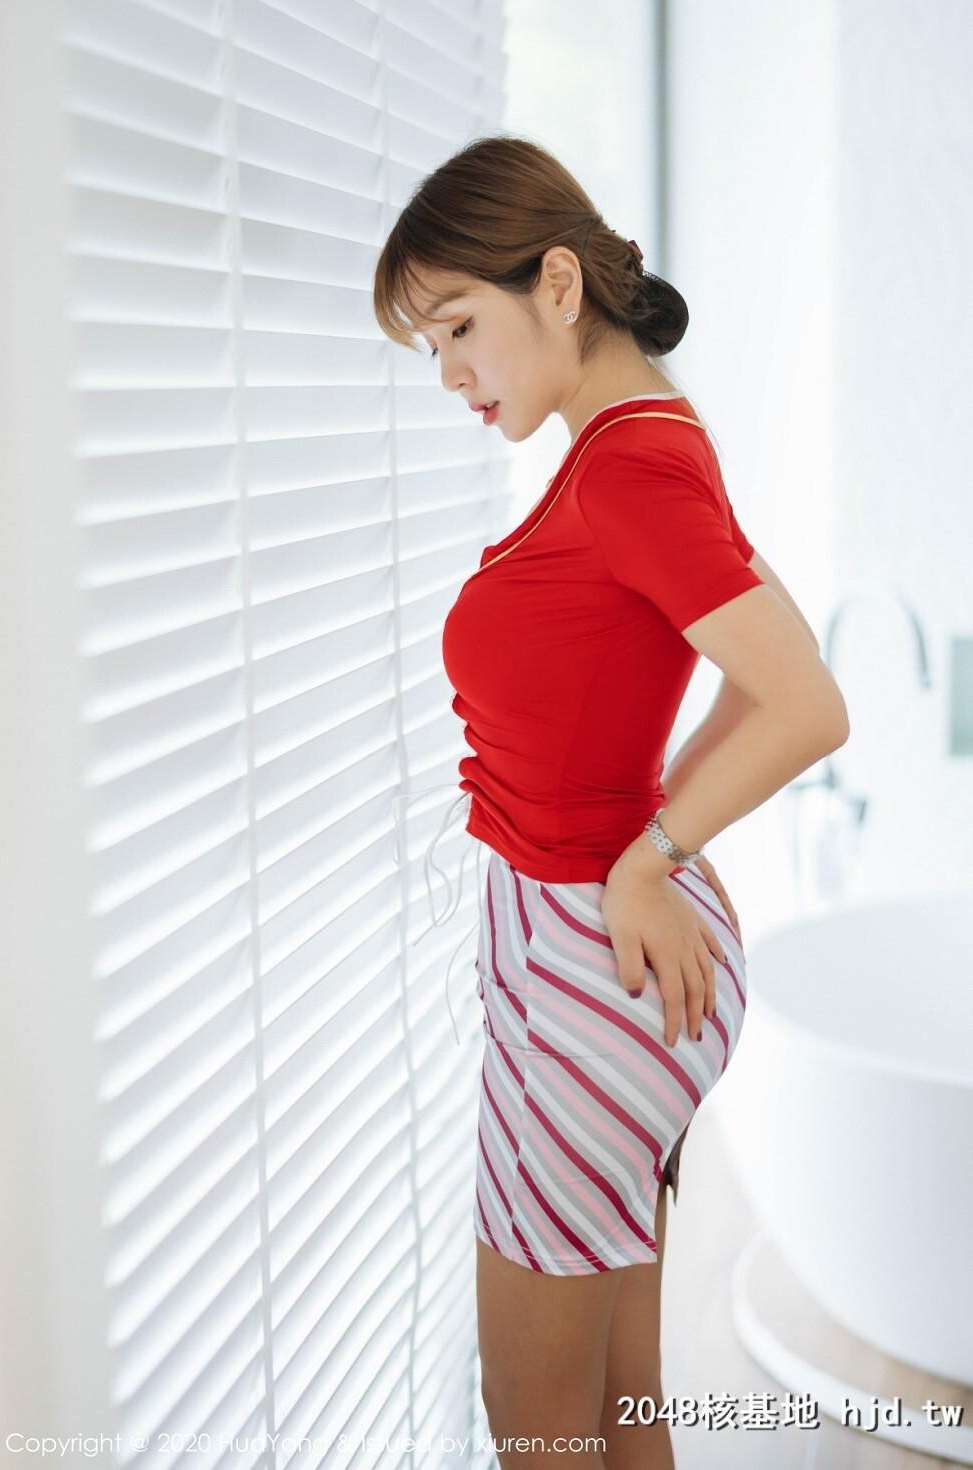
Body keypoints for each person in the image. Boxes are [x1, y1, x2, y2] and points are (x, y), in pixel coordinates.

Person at [373, 135, 849, 1469]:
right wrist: (648, 855)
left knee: (538, 1434)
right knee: (624, 1400)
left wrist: (648, 861)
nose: (452, 370)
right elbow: (779, 659)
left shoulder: (629, 464)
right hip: (589, 958)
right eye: (430, 344)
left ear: (562, 285)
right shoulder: (640, 442)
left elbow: (807, 699)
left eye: (460, 324)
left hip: (589, 965)